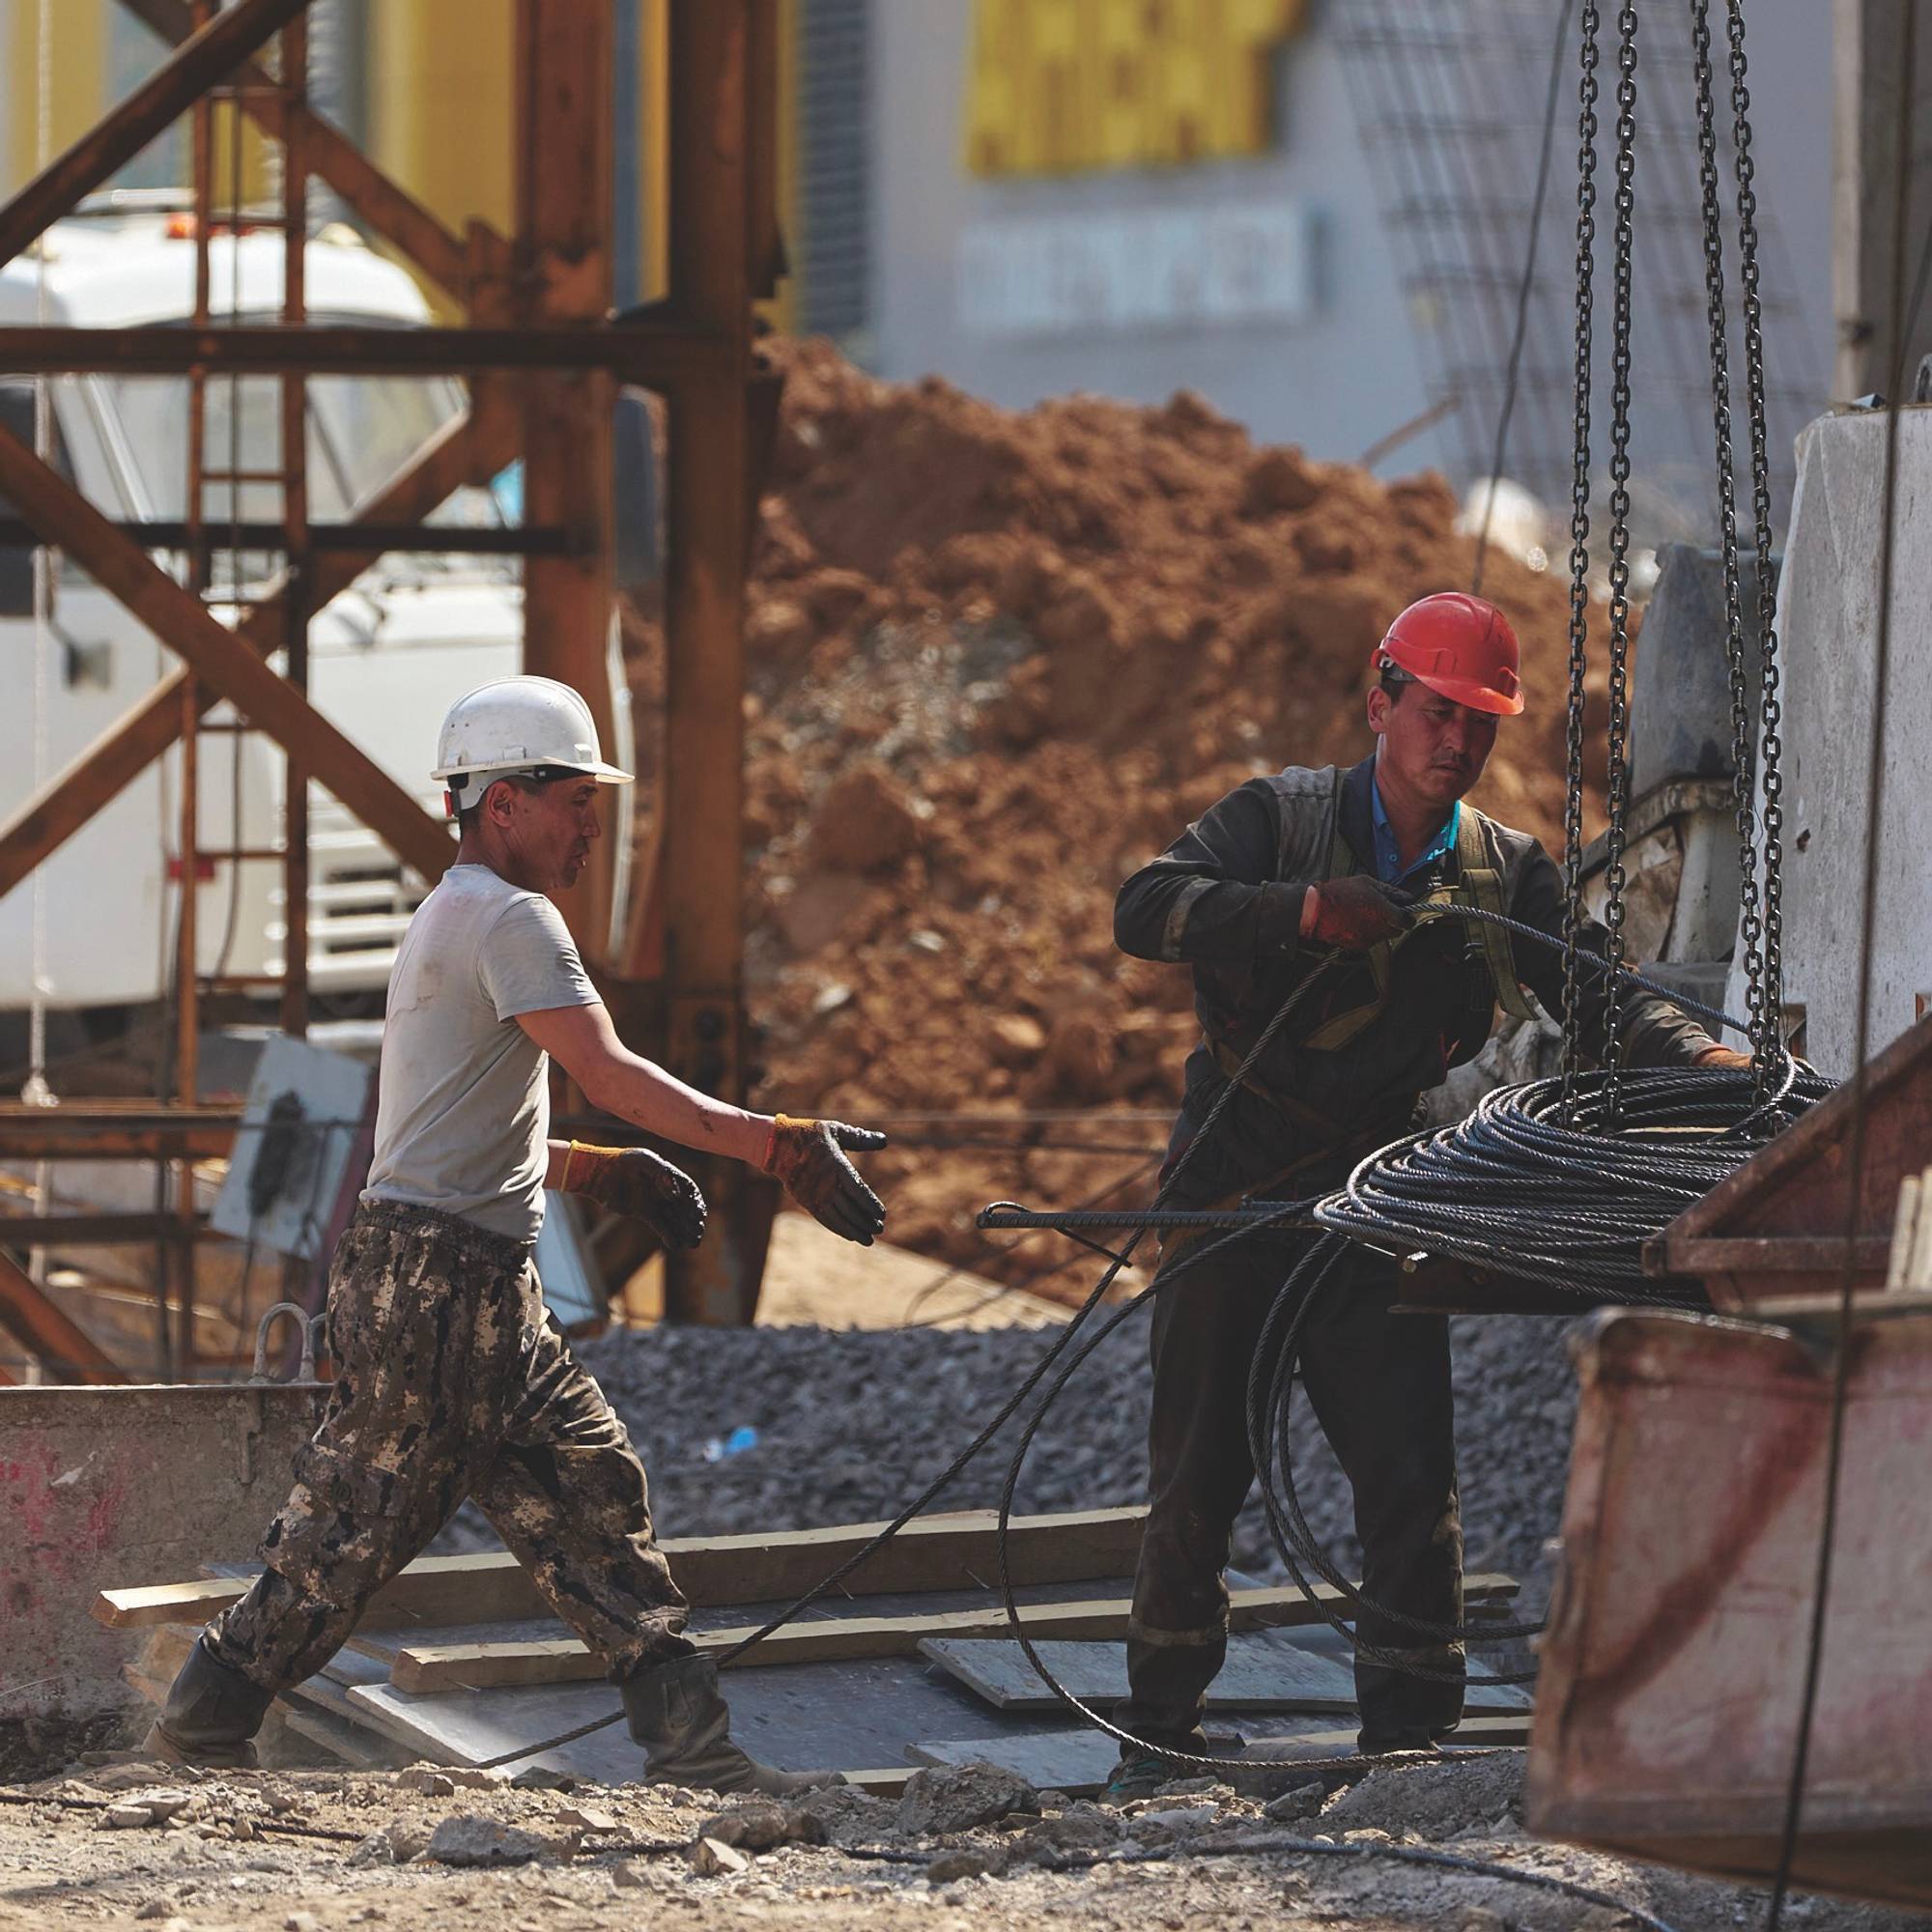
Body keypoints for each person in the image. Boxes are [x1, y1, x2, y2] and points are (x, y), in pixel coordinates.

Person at [148, 674, 889, 1793]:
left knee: (589, 1489)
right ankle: (201, 1723)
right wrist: (775, 1145)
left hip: (468, 1281)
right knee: (349, 1531)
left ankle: (695, 1751)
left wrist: (593, 1168)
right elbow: (608, 1071)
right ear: (502, 802)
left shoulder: (451, 917)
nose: (591, 822)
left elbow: (451, 1130)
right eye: (571, 797)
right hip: (437, 1290)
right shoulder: (510, 916)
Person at [1106, 592, 1748, 1794]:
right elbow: (1143, 906)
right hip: (1228, 1186)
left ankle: (1406, 1750)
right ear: (1381, 704)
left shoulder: (1502, 873)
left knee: (1408, 1477)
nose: (1455, 738)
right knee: (1196, 1472)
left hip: (1365, 1193)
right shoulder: (1278, 818)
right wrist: (1300, 910)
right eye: (1438, 711)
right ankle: (1155, 1740)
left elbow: (1598, 999)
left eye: (1478, 720)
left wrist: (1710, 1063)